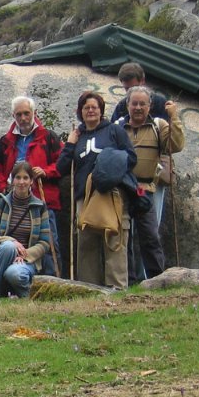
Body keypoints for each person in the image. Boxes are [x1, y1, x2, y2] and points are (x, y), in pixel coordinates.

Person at [57, 90, 137, 289]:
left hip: (111, 194)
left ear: (101, 110)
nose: (90, 110)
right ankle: (89, 288)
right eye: (86, 108)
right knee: (86, 244)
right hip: (84, 197)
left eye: (94, 107)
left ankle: (116, 288)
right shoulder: (78, 136)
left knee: (114, 239)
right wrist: (69, 144)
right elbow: (61, 168)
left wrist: (110, 170)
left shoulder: (113, 131)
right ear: (80, 112)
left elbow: (130, 157)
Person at [117, 85, 185, 283]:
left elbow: (175, 145)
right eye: (134, 103)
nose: (138, 108)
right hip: (122, 191)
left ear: (150, 106)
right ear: (127, 105)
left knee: (150, 237)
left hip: (145, 190)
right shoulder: (119, 126)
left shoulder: (159, 124)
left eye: (142, 104)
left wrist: (175, 119)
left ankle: (157, 280)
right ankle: (128, 281)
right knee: (124, 239)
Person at [0, 96, 63, 274]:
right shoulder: (6, 141)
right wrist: (2, 187)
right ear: (13, 116)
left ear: (34, 113)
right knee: (18, 243)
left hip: (42, 199)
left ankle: (54, 280)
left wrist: (46, 171)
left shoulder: (48, 137)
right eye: (19, 114)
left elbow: (62, 162)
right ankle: (21, 280)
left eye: (26, 113)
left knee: (49, 242)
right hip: (14, 201)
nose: (23, 118)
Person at [0, 162, 52, 298]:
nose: (21, 182)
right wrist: (11, 241)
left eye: (25, 178)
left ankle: (28, 297)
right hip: (1, 255)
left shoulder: (40, 207)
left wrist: (25, 255)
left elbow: (44, 243)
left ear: (31, 181)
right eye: (18, 178)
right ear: (12, 180)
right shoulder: (1, 204)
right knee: (8, 247)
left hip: (25, 261)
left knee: (14, 274)